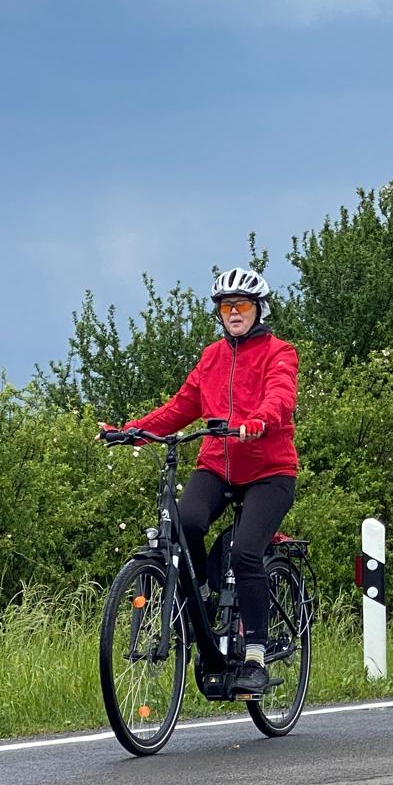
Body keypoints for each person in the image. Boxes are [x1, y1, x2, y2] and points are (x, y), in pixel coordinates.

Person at [114, 268, 297, 699]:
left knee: (246, 552)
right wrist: (131, 430)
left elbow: (281, 395)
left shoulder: (279, 352)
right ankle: (201, 600)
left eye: (243, 305)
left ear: (259, 309)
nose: (234, 313)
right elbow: (181, 407)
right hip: (217, 463)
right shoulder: (212, 357)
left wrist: (260, 421)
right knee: (185, 523)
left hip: (270, 471)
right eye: (226, 306)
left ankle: (253, 654)